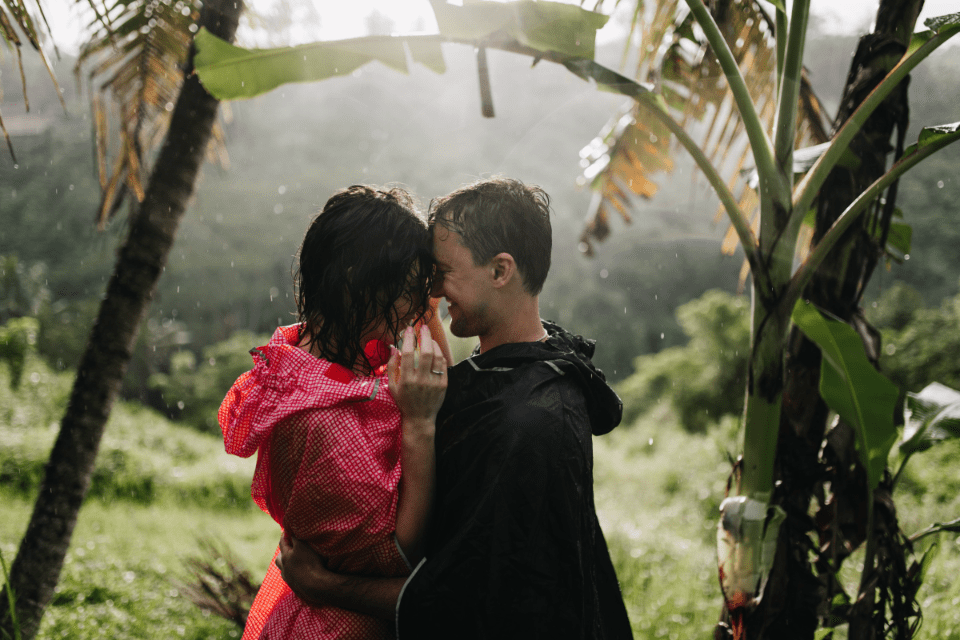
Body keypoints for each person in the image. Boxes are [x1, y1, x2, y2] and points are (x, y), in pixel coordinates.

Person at [276, 177, 634, 639]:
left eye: (442, 272)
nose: (434, 294)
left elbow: (467, 598)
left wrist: (325, 585)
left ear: (500, 271)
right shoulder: (522, 370)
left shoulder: (529, 422)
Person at [219, 185, 450, 639]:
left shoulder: (318, 360)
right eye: (405, 292)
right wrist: (420, 426)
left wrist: (428, 313)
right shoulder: (315, 420)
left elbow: (445, 392)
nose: (412, 311)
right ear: (355, 281)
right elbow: (398, 554)